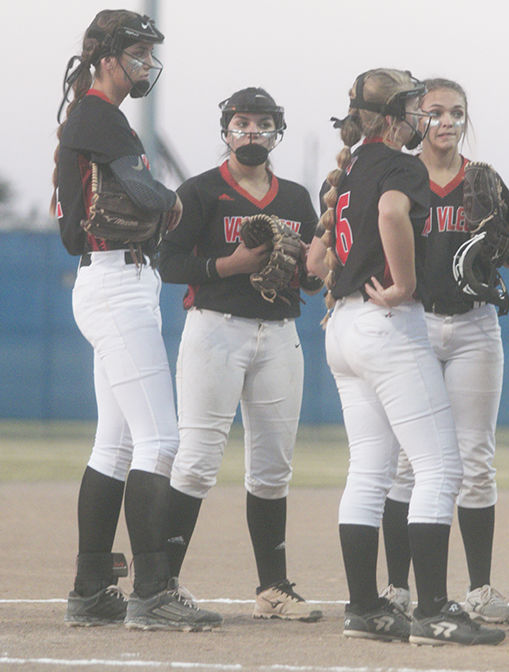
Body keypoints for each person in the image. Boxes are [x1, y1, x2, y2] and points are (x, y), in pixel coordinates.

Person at [306, 68, 504, 646]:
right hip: (385, 323)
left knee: (370, 470)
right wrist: (405, 282)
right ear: (393, 119)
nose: (426, 118)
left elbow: (318, 264)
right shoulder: (397, 164)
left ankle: (365, 607)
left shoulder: (350, 166)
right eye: (417, 108)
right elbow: (393, 214)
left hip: (343, 325)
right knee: (441, 467)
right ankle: (436, 610)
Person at [53, 9, 220, 631]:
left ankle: (92, 588)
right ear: (108, 58)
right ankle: (152, 591)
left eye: (151, 53)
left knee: (117, 443)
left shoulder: (97, 116)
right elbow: (146, 192)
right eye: (139, 53)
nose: (147, 64)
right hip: (115, 285)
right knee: (162, 441)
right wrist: (178, 205)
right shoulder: (99, 114)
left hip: (115, 280)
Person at [157, 87, 324, 622]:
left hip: (279, 334)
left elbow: (312, 274)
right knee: (199, 460)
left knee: (273, 467)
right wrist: (232, 264)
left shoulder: (297, 198)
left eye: (262, 123)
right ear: (225, 130)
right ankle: (160, 586)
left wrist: (321, 267)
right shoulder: (202, 191)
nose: (252, 132)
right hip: (215, 330)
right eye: (242, 122)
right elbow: (170, 263)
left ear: (278, 130)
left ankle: (273, 587)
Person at [377, 78, 509, 625]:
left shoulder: (482, 181)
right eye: (434, 111)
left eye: (455, 112)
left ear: (467, 119)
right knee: (406, 464)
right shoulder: (401, 176)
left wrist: (502, 245)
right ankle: (397, 588)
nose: (444, 121)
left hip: (473, 328)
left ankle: (481, 588)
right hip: (412, 324)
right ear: (417, 117)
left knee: (476, 460)